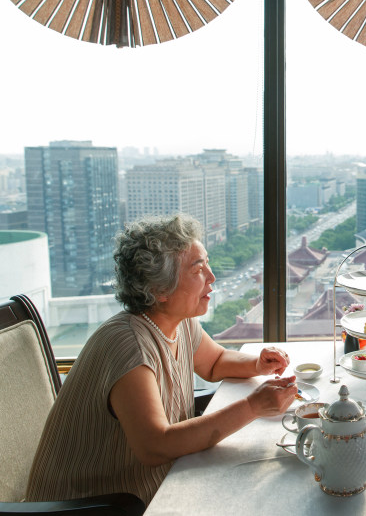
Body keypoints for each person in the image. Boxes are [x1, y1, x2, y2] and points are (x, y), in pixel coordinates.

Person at [26, 214, 298, 505]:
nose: (212, 277)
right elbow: (155, 446)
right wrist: (252, 406)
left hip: (146, 490)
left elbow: (215, 361)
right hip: (90, 506)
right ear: (159, 290)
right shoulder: (128, 344)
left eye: (207, 263)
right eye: (198, 269)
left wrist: (257, 364)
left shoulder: (177, 322)